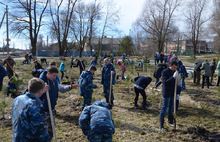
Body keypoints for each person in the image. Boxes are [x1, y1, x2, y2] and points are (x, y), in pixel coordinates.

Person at [39, 67, 78, 139]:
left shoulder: (54, 80)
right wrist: (42, 91)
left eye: (56, 75)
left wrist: (70, 86)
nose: (55, 77)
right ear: (48, 73)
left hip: (51, 109)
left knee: (51, 129)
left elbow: (61, 88)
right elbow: (34, 95)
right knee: (44, 130)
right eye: (54, 75)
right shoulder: (41, 82)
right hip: (43, 110)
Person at [159, 61, 178, 131]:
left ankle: (170, 121)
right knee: (164, 108)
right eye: (174, 67)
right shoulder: (165, 72)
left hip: (172, 92)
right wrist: (173, 77)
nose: (175, 69)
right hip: (166, 92)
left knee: (171, 108)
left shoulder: (175, 71)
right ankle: (161, 125)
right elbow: (165, 82)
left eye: (176, 68)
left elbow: (175, 83)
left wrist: (178, 78)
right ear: (171, 65)